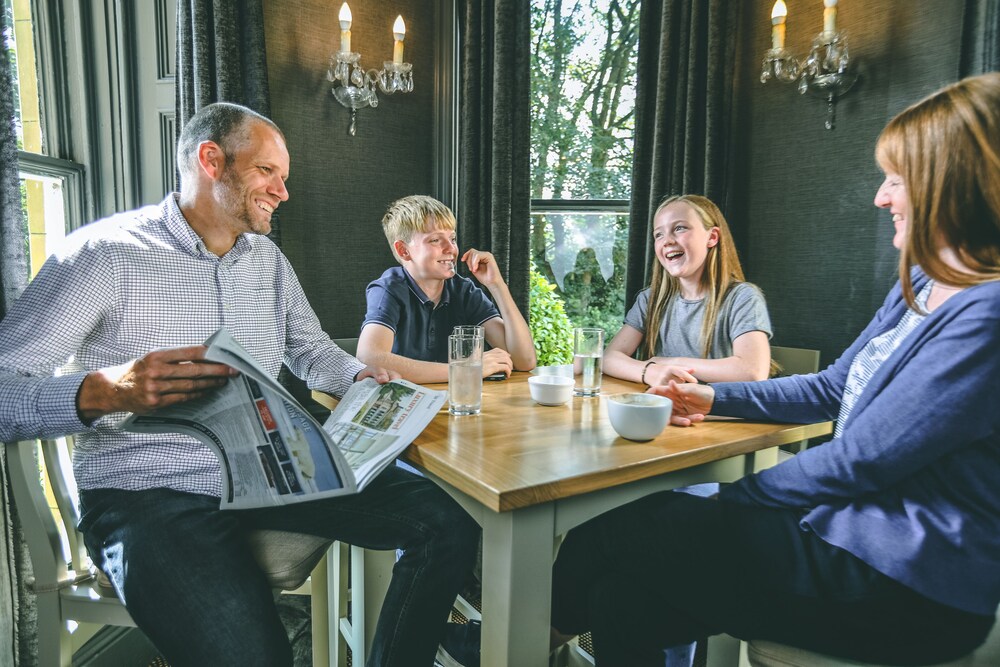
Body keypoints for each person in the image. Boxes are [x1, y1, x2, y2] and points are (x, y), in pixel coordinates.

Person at [0, 102, 479, 667]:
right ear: (211, 160)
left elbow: (311, 348)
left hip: (277, 472)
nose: (283, 191)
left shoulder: (268, 262)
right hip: (151, 495)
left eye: (284, 176)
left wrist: (358, 374)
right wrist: (105, 391)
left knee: (447, 526)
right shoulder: (104, 256)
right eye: (267, 172)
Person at [549, 73, 1000, 666]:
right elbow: (831, 388)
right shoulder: (922, 283)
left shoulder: (986, 313)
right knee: (619, 598)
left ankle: (525, 639)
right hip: (837, 538)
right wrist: (712, 399)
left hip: (899, 585)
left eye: (896, 180)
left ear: (955, 184)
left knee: (609, 531)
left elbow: (860, 460)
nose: (881, 197)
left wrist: (738, 499)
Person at [357, 195, 536, 382]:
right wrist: (465, 369)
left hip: (459, 402)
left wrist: (496, 284)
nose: (451, 248)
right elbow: (369, 357)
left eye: (452, 238)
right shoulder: (389, 289)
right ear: (404, 250)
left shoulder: (463, 290)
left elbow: (524, 361)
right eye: (435, 240)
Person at [603, 194, 772, 388]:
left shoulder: (743, 297)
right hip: (664, 408)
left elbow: (752, 371)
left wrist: (669, 363)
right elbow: (609, 358)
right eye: (659, 234)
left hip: (719, 413)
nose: (667, 241)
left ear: (712, 237)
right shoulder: (650, 299)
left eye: (679, 228)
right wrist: (649, 371)